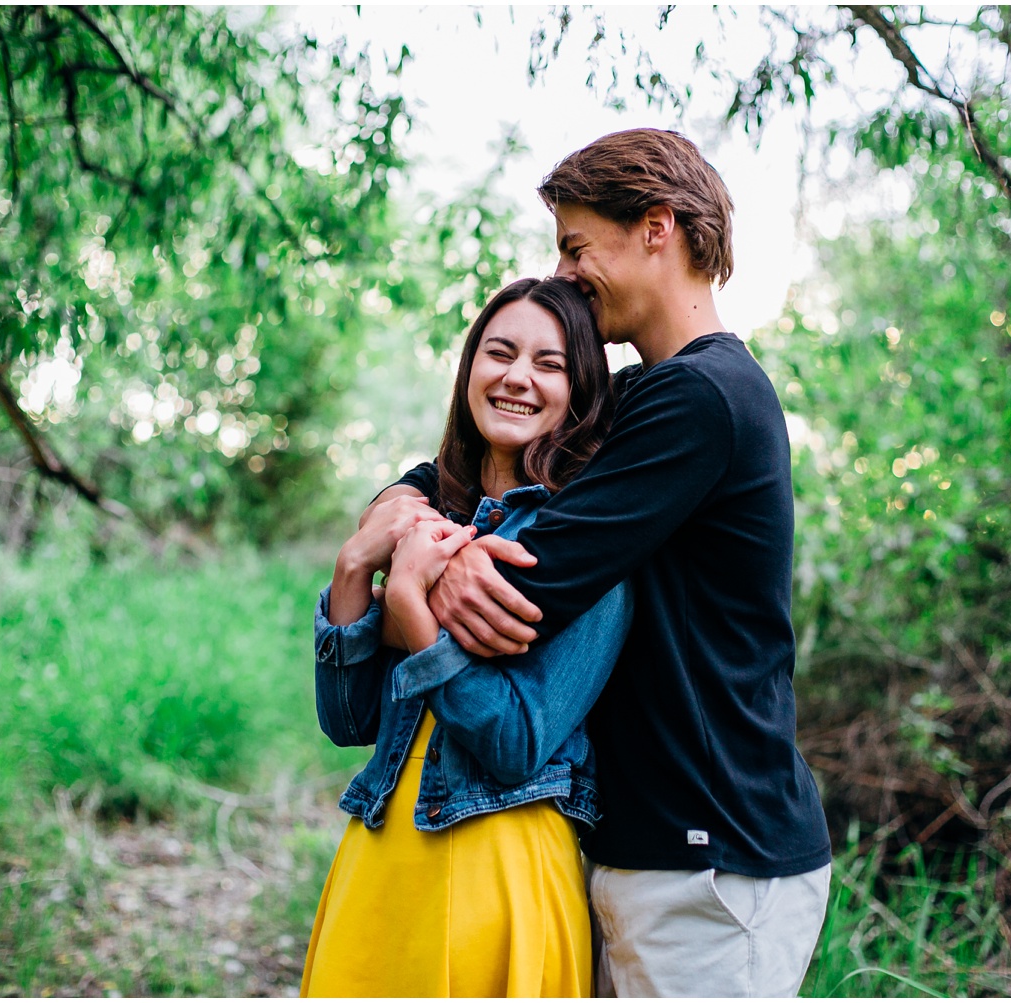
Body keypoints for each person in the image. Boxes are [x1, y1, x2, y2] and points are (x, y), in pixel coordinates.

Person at [373, 129, 833, 997]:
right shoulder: (637, 397)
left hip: (713, 854)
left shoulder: (704, 396)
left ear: (656, 227)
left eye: (578, 246)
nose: (569, 271)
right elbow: (458, 477)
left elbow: (524, 585)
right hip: (649, 847)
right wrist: (400, 519)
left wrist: (441, 563)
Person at [300, 276, 632, 998]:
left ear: (580, 392)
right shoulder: (422, 514)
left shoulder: (587, 544)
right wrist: (356, 562)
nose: (517, 377)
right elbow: (346, 719)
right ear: (469, 368)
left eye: (550, 364)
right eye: (500, 352)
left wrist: (414, 606)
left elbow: (513, 744)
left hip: (500, 859)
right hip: (381, 846)